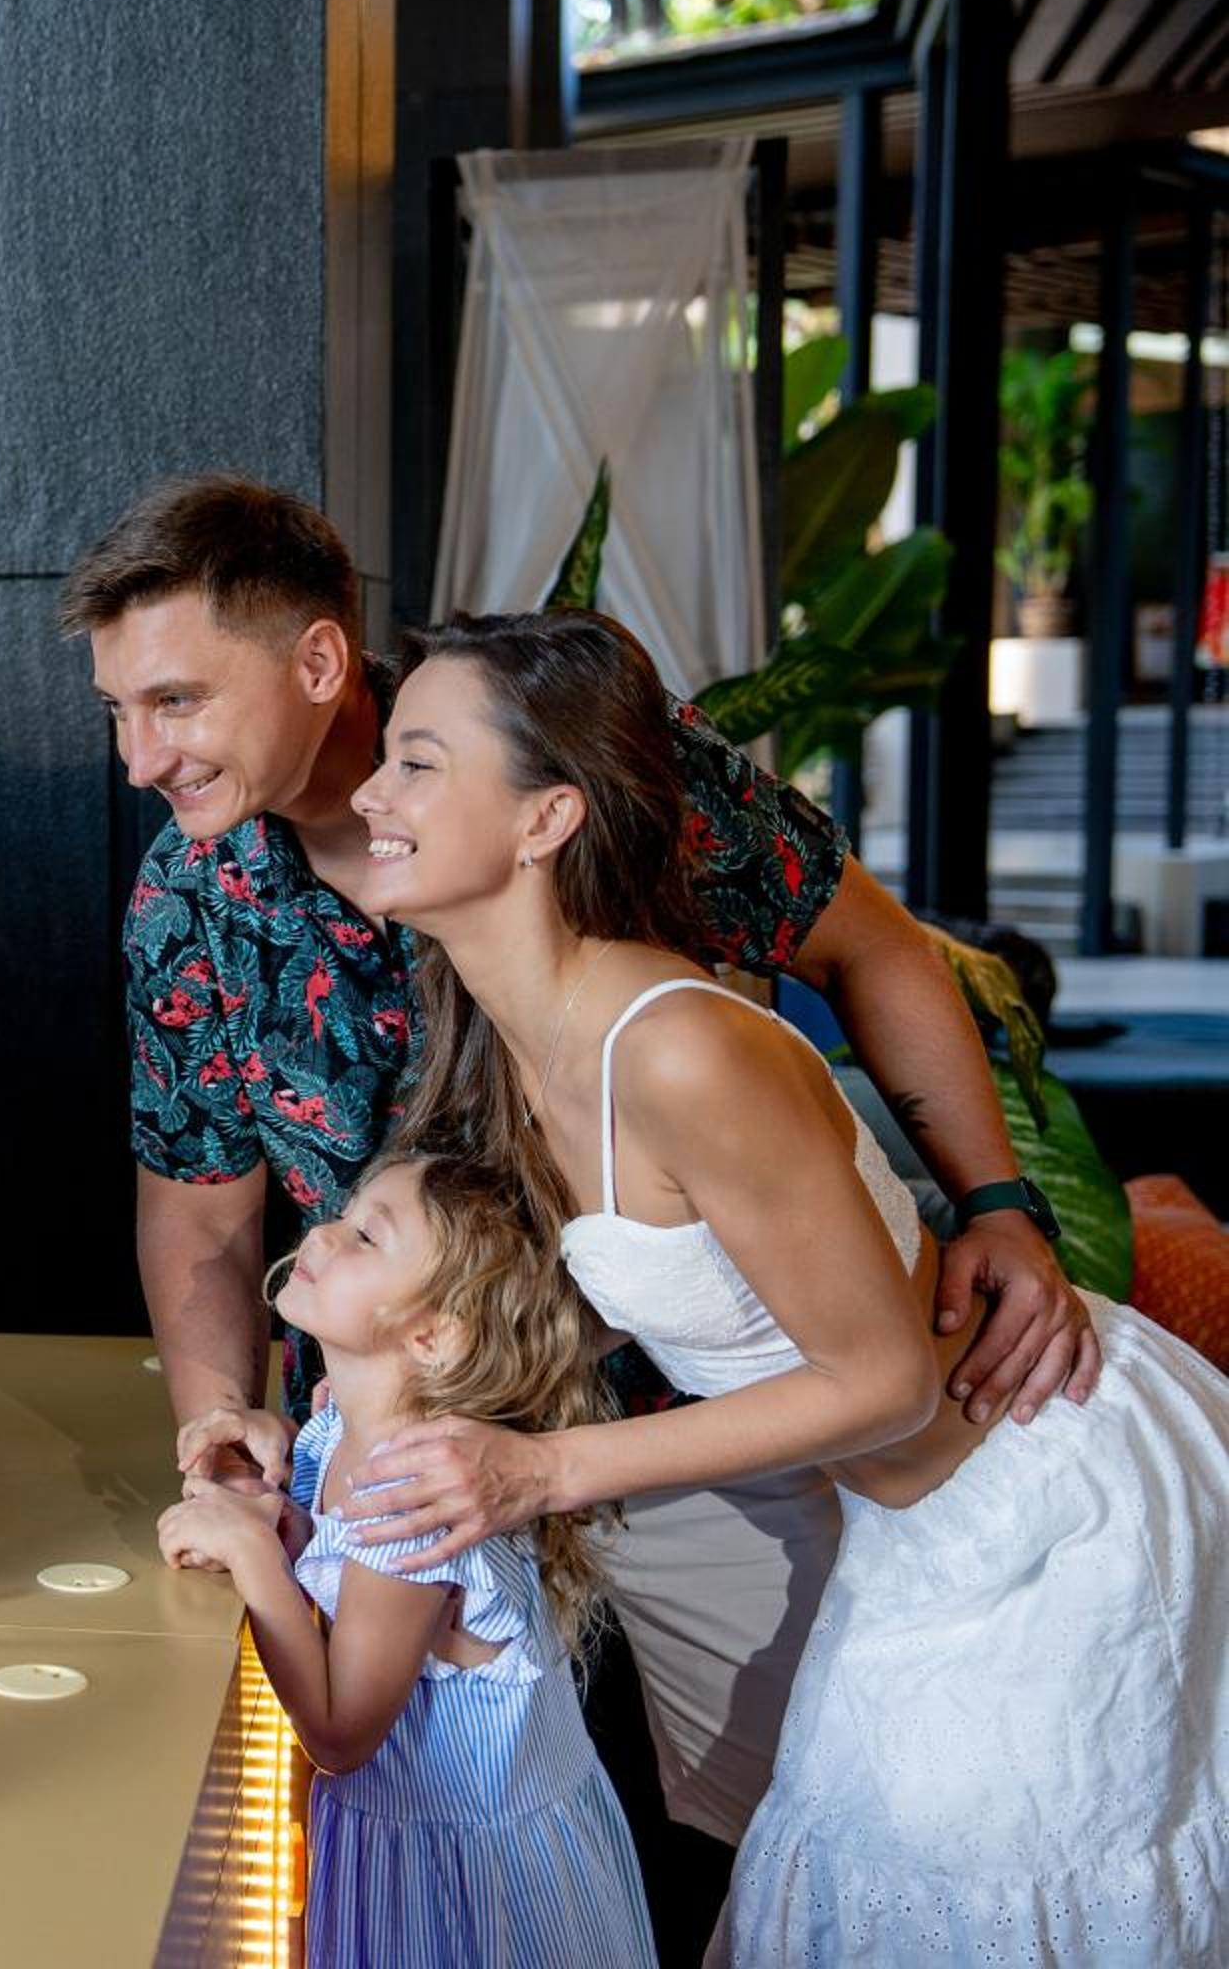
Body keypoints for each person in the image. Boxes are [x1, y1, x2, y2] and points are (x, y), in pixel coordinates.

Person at [69, 472, 1096, 1857]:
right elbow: (200, 1222)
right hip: (403, 1484)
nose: (140, 757)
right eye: (118, 711)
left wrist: (999, 1202)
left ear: (316, 660)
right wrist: (223, 1432)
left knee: (811, 1838)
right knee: (446, 1867)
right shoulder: (185, 907)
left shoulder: (554, 749)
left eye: (176, 701)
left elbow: (872, 947)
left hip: (709, 1440)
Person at [339, 610, 1229, 1965]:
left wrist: (541, 1472)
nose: (370, 795)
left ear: (546, 819)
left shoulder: (678, 1051)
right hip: (914, 1535)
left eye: (416, 762)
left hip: (1053, 1507)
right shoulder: (518, 1038)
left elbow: (888, 1381)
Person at [160, 1149, 652, 1967]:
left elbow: (341, 1734)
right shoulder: (340, 1432)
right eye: (344, 1217)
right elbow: (345, 1579)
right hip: (409, 1851)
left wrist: (253, 1556)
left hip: (460, 1892)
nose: (322, 1233)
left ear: (431, 1334)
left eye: (366, 1236)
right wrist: (283, 1509)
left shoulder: (412, 1497)